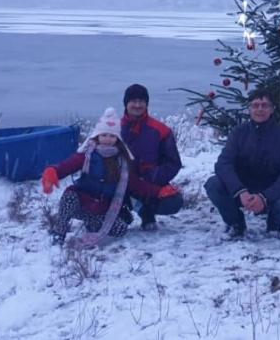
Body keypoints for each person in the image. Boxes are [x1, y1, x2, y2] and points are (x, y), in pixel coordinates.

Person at [41, 107, 179, 245]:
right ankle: (60, 232)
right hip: (82, 201)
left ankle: (94, 223)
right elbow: (68, 165)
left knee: (120, 229)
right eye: (104, 135)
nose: (107, 139)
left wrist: (159, 191)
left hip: (104, 207)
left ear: (117, 139)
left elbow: (136, 184)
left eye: (112, 136)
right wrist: (53, 171)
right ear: (97, 136)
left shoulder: (122, 162)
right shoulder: (87, 154)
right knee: (69, 196)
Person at [204, 88, 280, 238]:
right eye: (255, 105)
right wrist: (240, 191)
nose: (260, 109)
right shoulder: (238, 133)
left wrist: (264, 197)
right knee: (213, 184)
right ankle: (236, 224)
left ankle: (274, 226)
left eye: (264, 105)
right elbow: (223, 164)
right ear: (249, 109)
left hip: (271, 192)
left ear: (272, 109)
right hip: (243, 190)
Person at [120, 83, 184, 230]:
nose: (137, 105)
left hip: (151, 183)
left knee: (174, 201)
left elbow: (173, 163)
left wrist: (153, 177)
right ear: (126, 103)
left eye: (141, 101)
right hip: (120, 183)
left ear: (146, 103)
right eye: (133, 101)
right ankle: (120, 213)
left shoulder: (161, 130)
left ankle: (146, 213)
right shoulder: (113, 130)